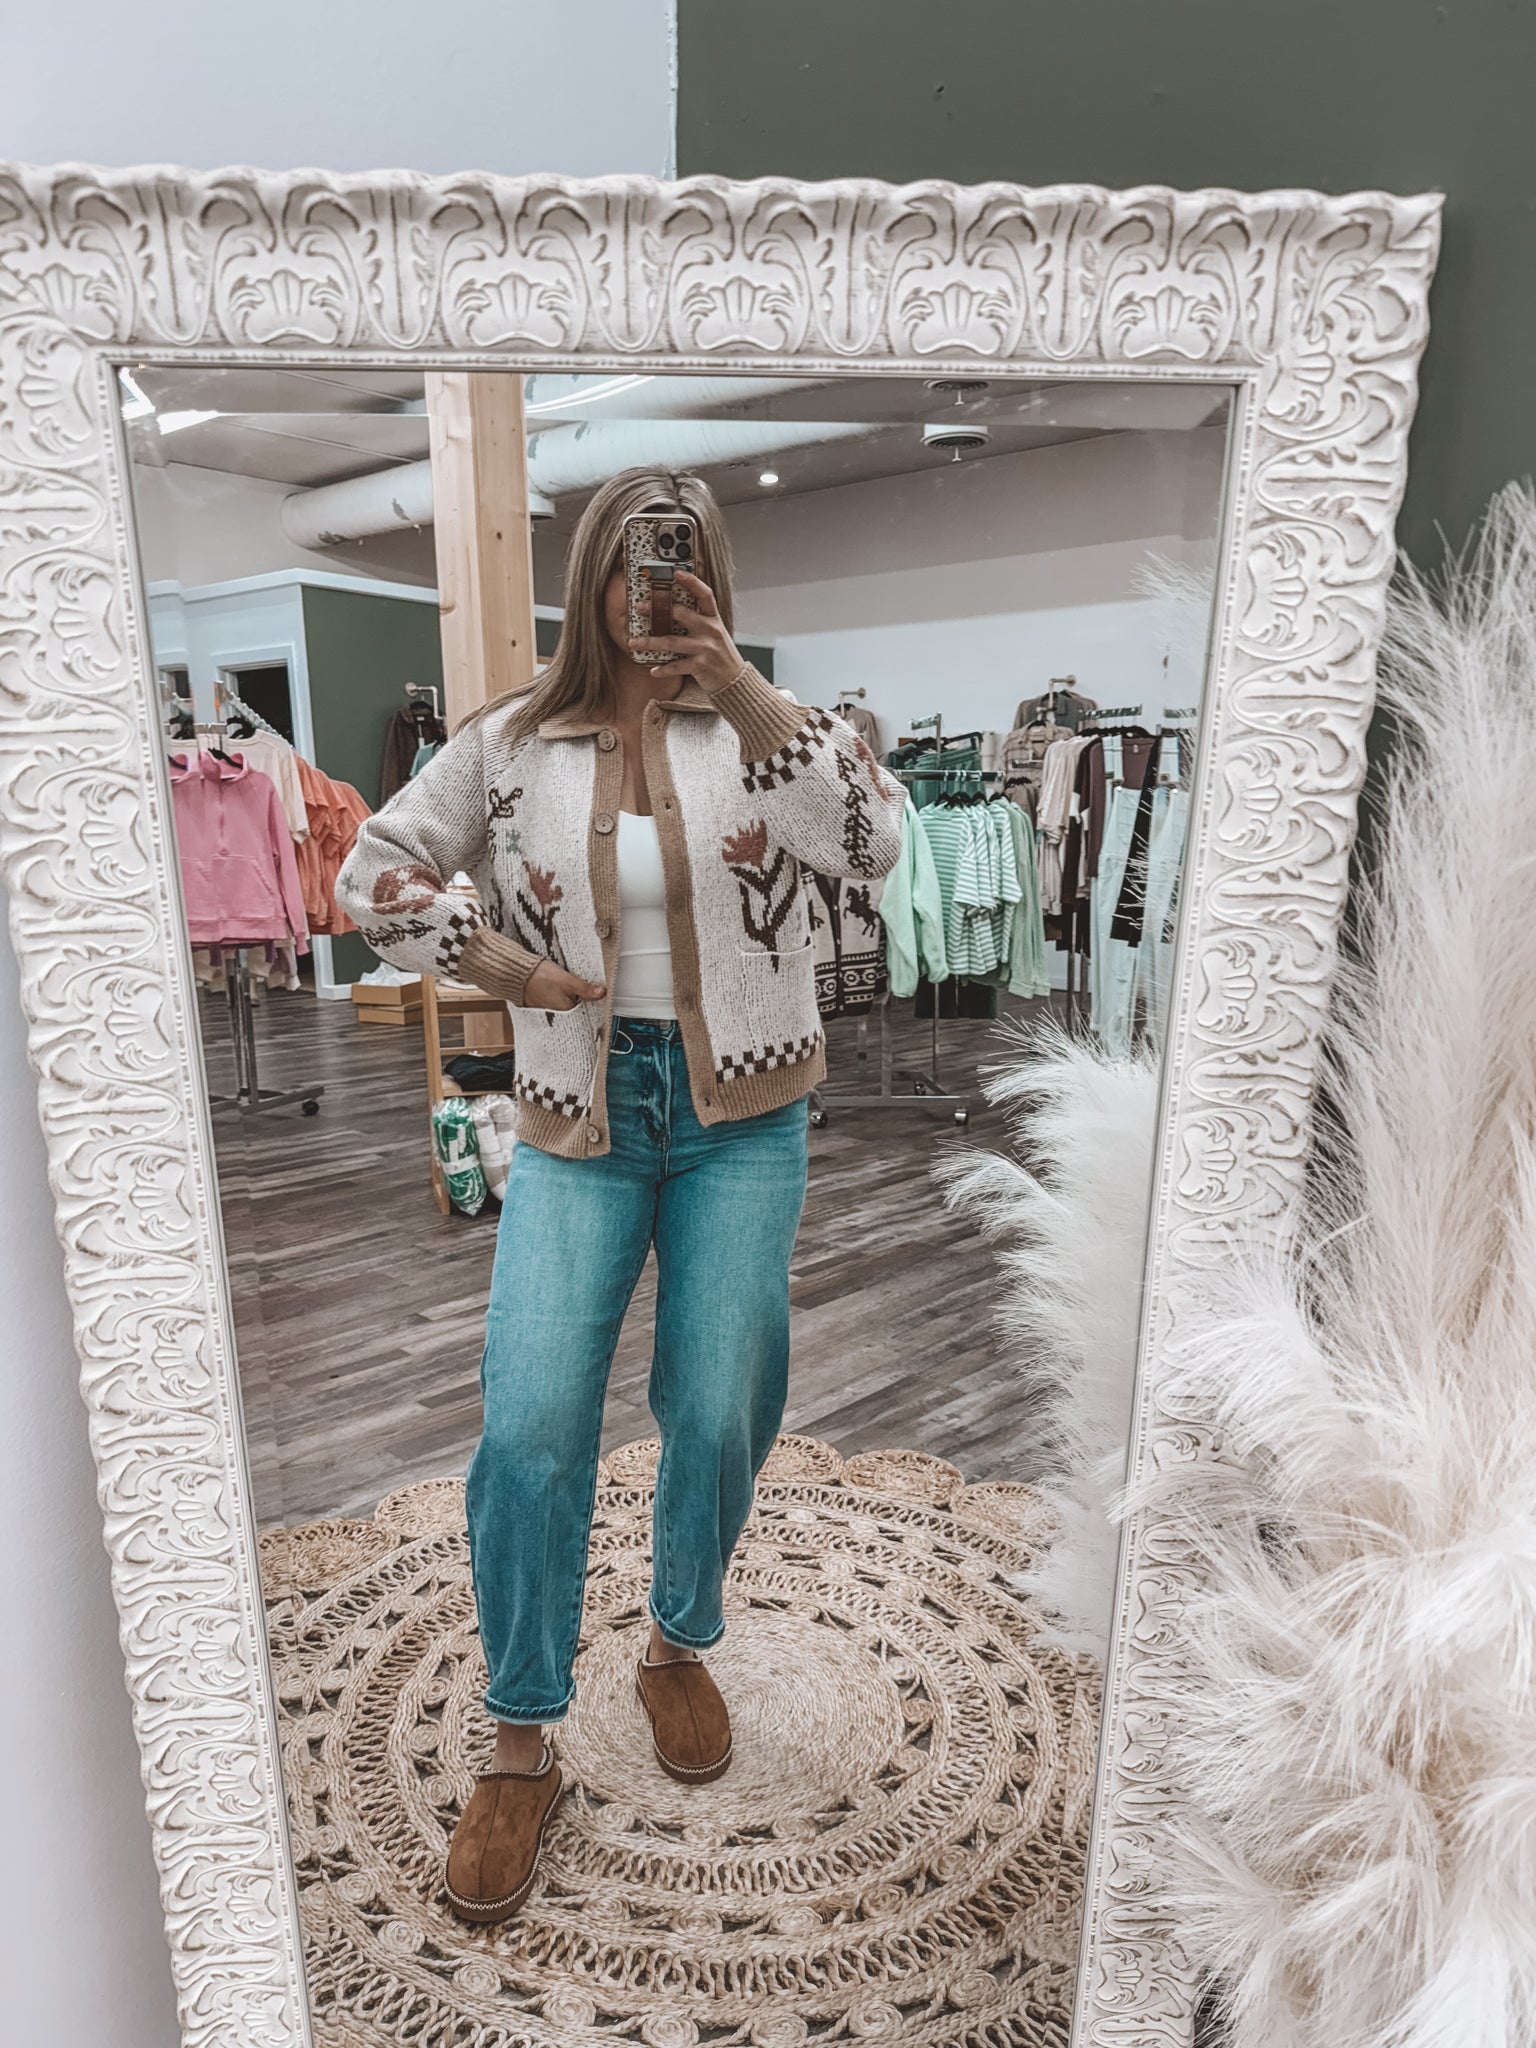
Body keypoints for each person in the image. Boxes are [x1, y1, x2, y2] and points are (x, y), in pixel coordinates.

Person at [334, 466, 905, 1923]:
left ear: (714, 579)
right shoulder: (510, 742)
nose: (657, 591)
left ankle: (674, 1641)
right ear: (593, 577)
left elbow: (875, 845)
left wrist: (746, 689)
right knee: (531, 1420)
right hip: (579, 1119)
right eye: (638, 565)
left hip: (744, 1122)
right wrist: (498, 966)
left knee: (718, 1407)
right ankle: (521, 1731)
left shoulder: (777, 734)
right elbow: (371, 873)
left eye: (687, 563)